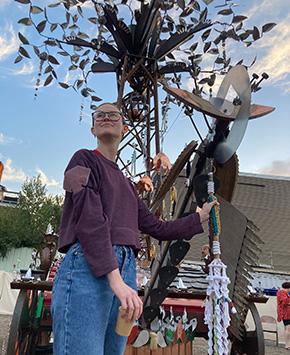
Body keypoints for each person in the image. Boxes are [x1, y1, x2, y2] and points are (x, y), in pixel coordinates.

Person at [51, 102, 217, 355]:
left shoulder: (128, 186)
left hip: (124, 272)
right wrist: (115, 279)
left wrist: (199, 218)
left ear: (125, 128)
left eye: (113, 115)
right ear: (93, 128)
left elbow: (157, 227)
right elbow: (89, 219)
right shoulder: (81, 159)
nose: (106, 117)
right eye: (100, 115)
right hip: (87, 268)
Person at [277, 281, 290, 350]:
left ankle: (287, 344)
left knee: (287, 328)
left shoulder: (282, 292)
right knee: (288, 328)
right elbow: (284, 302)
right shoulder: (282, 292)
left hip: (287, 313)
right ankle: (287, 345)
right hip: (285, 313)